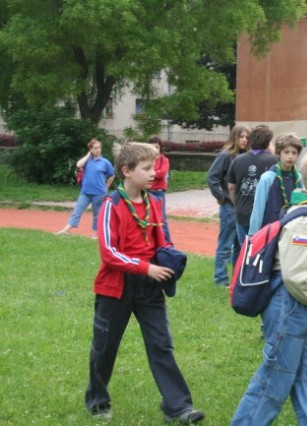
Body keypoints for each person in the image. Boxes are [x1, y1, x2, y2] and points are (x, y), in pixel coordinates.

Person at [84, 142, 204, 424]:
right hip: (117, 287)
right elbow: (108, 252)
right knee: (105, 347)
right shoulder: (110, 205)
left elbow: (163, 239)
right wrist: (144, 267)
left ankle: (178, 408)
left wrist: (169, 259)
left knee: (161, 344)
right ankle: (97, 402)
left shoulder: (153, 202)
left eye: (154, 167)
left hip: (150, 287)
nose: (154, 173)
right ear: (126, 171)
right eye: (147, 168)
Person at [230, 148, 307, 426]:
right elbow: (294, 276)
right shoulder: (305, 219)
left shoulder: (306, 212)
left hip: (298, 305)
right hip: (288, 306)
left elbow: (301, 265)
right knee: (273, 381)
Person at [207, 125, 249, 286]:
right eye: (241, 136)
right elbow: (212, 178)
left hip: (243, 207)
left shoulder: (247, 156)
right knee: (225, 244)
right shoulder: (226, 156)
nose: (244, 140)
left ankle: (236, 279)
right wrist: (221, 197)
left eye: (246, 137)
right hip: (229, 208)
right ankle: (220, 279)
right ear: (234, 138)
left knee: (239, 245)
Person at [227, 125, 277, 253]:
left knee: (245, 252)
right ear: (268, 142)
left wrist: (237, 205)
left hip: (242, 212)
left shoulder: (238, 160)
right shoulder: (273, 161)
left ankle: (243, 273)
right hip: (264, 216)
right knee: (262, 253)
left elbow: (231, 188)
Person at [56, 139, 115, 238]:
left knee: (97, 215)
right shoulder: (87, 160)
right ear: (90, 149)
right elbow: (78, 165)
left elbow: (112, 175)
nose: (98, 150)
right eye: (95, 148)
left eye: (99, 148)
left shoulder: (105, 162)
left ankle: (94, 235)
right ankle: (66, 230)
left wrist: (107, 187)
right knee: (77, 211)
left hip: (99, 192)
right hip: (85, 192)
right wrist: (88, 155)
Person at [248, 133, 304, 235]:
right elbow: (258, 209)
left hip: (291, 232)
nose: (290, 156)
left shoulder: (299, 178)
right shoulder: (268, 178)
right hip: (270, 232)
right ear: (279, 153)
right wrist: (253, 235)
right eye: (286, 152)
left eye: (294, 153)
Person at [147, 136, 172, 242]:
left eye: (156, 147)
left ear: (160, 148)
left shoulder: (164, 160)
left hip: (158, 192)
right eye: (152, 147)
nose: (154, 149)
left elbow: (162, 174)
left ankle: (167, 243)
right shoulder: (146, 160)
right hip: (147, 192)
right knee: (147, 218)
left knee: (162, 219)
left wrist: (151, 173)